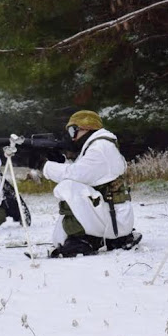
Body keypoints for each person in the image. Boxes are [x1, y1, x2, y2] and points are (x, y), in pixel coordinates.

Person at [42, 110, 141, 258]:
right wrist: (61, 161)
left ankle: (81, 240)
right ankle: (93, 238)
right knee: (72, 185)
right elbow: (89, 174)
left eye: (72, 131)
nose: (72, 137)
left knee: (68, 187)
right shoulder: (100, 144)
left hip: (114, 223)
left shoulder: (100, 147)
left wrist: (46, 166)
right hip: (113, 217)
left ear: (86, 128)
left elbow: (76, 175)